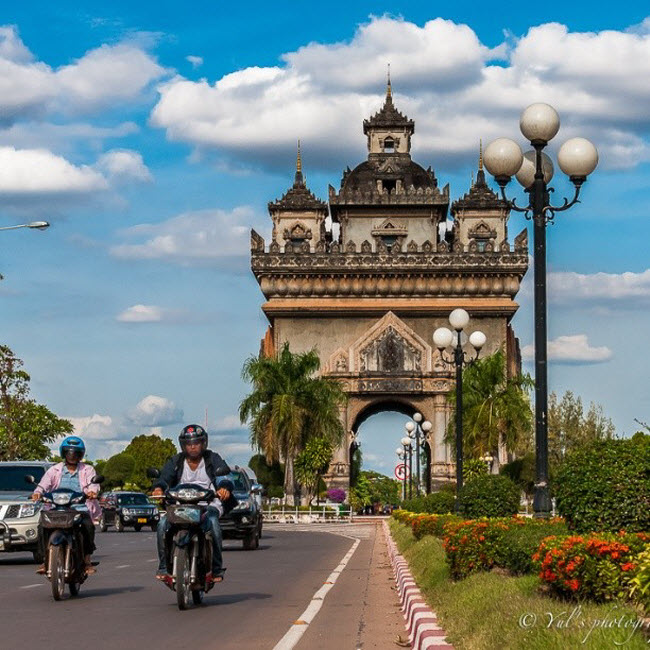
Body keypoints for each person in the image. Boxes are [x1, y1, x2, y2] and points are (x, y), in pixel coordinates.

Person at [152, 424, 236, 583]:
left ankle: (217, 567)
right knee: (162, 524)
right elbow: (163, 478)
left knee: (213, 523)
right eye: (189, 444)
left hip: (207, 504)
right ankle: (164, 566)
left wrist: (224, 487)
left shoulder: (212, 459)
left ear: (203, 443)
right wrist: (158, 488)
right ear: (183, 445)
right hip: (181, 506)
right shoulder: (176, 461)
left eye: (196, 443)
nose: (193, 447)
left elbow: (224, 475)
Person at [31, 436, 99, 575]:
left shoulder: (88, 469)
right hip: (56, 508)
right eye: (69, 452)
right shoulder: (54, 470)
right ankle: (45, 560)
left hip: (79, 507)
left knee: (88, 525)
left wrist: (92, 492)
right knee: (41, 525)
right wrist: (38, 493)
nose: (72, 456)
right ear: (64, 453)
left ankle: (87, 559)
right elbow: (43, 484)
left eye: (75, 453)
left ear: (80, 455)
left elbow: (94, 484)